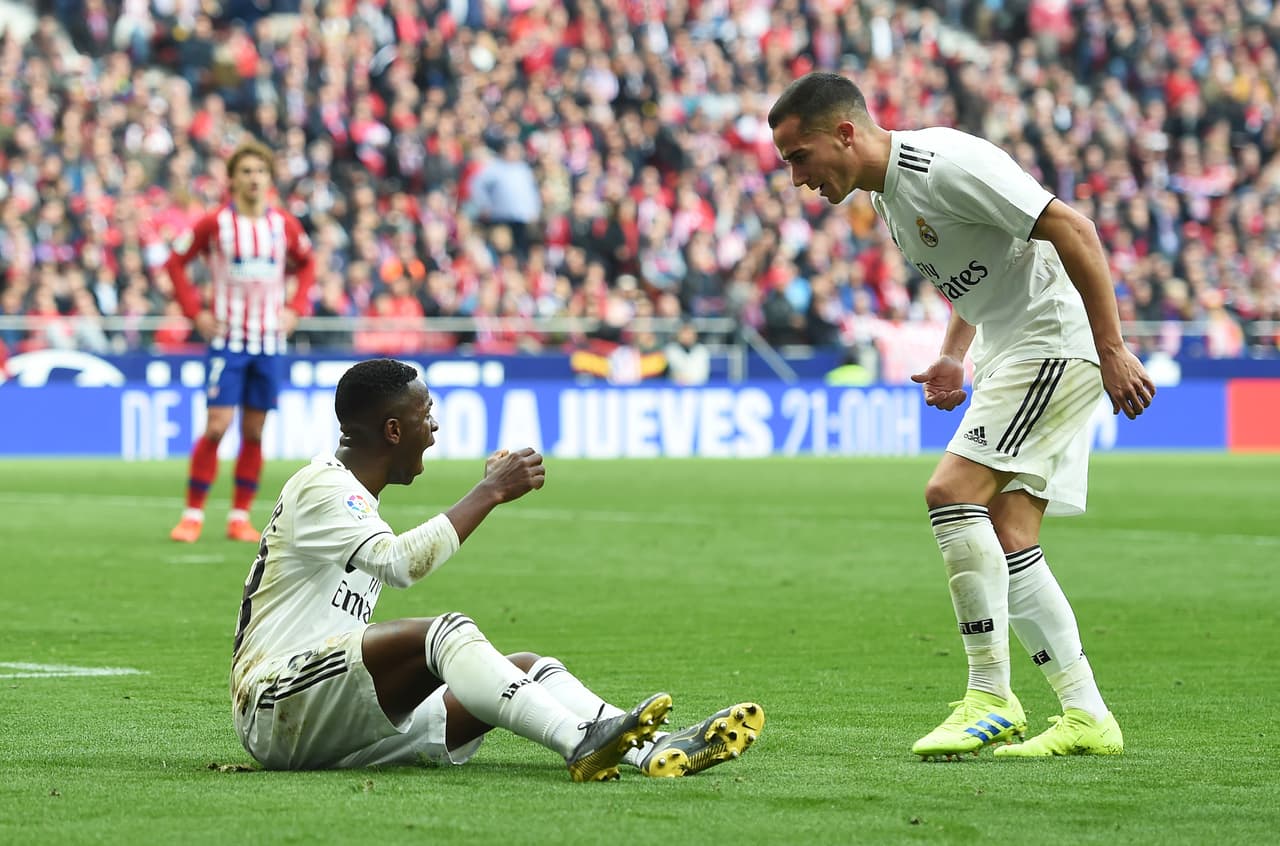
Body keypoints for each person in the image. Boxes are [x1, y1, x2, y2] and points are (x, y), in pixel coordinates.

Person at [770, 73, 1155, 759]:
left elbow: (1073, 227)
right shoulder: (888, 196)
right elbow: (979, 275)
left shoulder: (943, 165)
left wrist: (1112, 348)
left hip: (1052, 343)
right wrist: (953, 353)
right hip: (1014, 350)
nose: (798, 178)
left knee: (950, 492)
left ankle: (989, 696)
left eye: (800, 157)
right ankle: (1087, 714)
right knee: (1009, 535)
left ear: (846, 133)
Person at [229, 358, 765, 778]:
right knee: (443, 634)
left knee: (525, 666)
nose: (434, 426)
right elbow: (400, 564)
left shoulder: (349, 495)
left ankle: (652, 750)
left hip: (324, 706)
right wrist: (489, 492)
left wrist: (489, 492)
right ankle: (581, 742)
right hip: (276, 703)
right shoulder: (322, 486)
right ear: (393, 430)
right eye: (426, 414)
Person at [165, 138, 316, 543]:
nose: (254, 178)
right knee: (217, 426)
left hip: (268, 341)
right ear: (231, 179)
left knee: (253, 430)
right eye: (246, 171)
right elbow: (175, 262)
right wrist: (195, 312)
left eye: (261, 171)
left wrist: (295, 308)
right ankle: (192, 515)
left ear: (269, 179)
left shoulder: (283, 224)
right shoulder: (216, 223)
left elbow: (308, 263)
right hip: (228, 340)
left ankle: (239, 517)